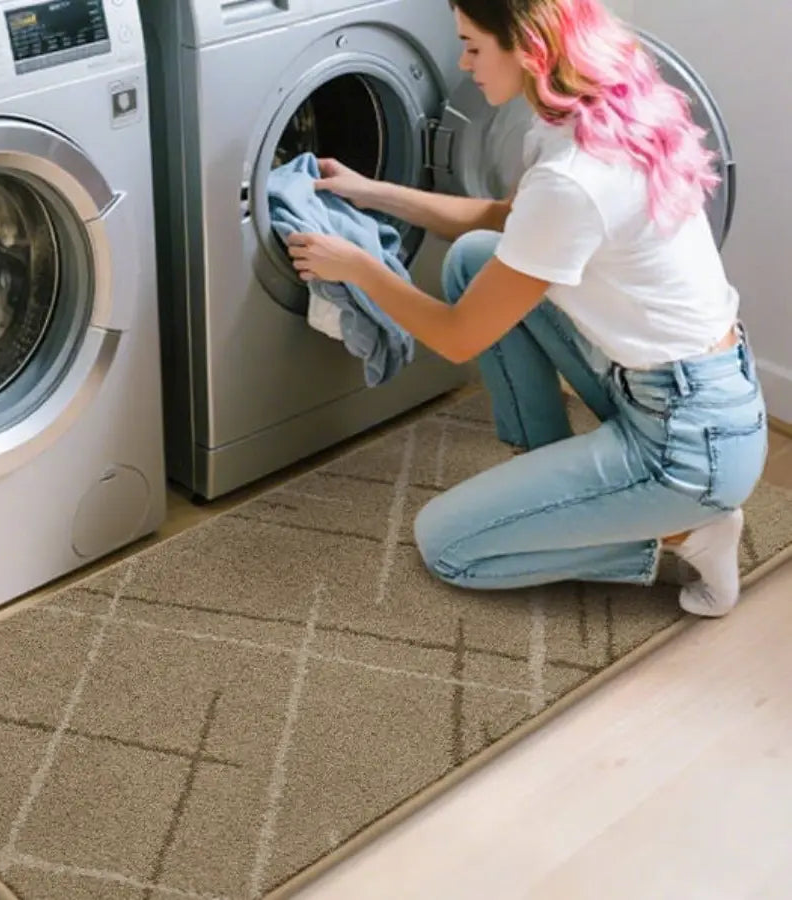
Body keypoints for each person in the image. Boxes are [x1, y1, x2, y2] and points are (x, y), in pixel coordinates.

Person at [287, 0, 767, 618]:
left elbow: (458, 337)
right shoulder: (595, 111)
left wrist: (358, 266)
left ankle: (686, 534)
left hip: (684, 446)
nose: (463, 62)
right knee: (475, 257)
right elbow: (502, 221)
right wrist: (370, 190)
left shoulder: (575, 180)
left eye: (473, 46)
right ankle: (552, 477)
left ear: (528, 48)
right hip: (697, 392)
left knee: (448, 544)